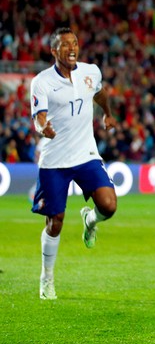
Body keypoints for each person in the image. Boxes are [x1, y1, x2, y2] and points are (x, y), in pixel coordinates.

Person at [29, 27, 118, 300]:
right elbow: (39, 116)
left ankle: (90, 221)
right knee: (55, 221)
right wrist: (43, 128)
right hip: (55, 159)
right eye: (65, 44)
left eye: (75, 43)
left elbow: (100, 93)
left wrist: (107, 114)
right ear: (54, 51)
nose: (71, 48)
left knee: (108, 205)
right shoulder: (42, 82)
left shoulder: (90, 72)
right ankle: (47, 279)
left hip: (85, 154)